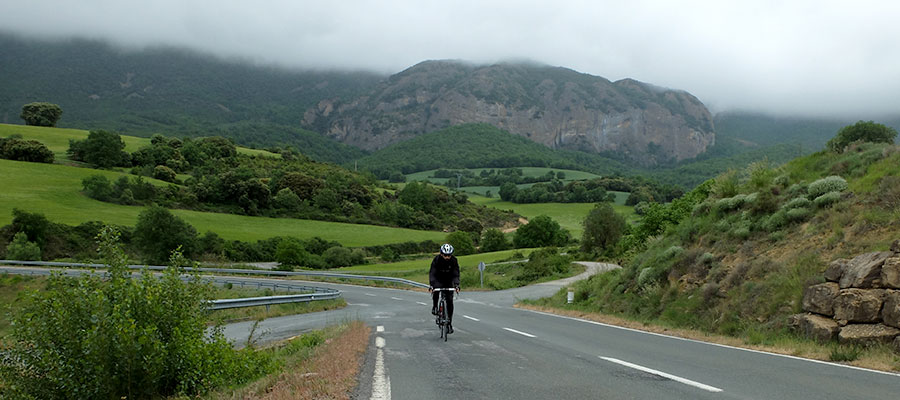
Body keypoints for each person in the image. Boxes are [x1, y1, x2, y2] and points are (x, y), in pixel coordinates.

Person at [429, 243, 460, 333]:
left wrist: (456, 285)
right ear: (441, 254)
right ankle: (435, 306)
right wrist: (432, 285)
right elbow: (432, 273)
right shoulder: (437, 260)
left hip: (448, 280)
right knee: (436, 291)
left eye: (449, 255)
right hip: (438, 279)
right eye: (445, 255)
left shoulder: (454, 261)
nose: (447, 257)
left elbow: (456, 273)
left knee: (450, 301)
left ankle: (449, 323)